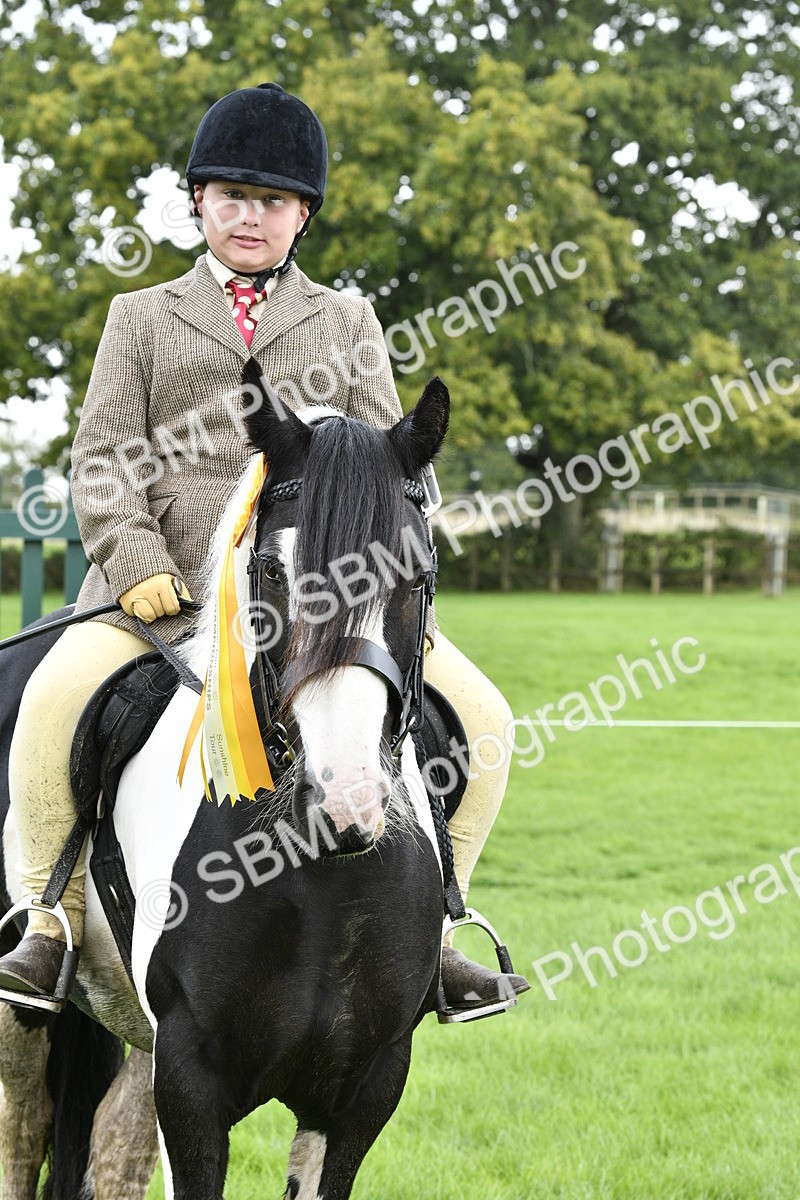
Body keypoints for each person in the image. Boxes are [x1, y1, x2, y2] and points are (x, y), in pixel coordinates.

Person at [0, 83, 529, 1015]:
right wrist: (135, 560)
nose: (251, 216)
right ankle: (49, 923)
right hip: (159, 597)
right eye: (232, 196)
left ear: (303, 215)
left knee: (485, 720)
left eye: (272, 201)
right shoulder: (141, 316)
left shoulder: (347, 321)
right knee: (51, 702)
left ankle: (443, 929)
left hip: (320, 599)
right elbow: (103, 458)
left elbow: (394, 466)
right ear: (198, 202)